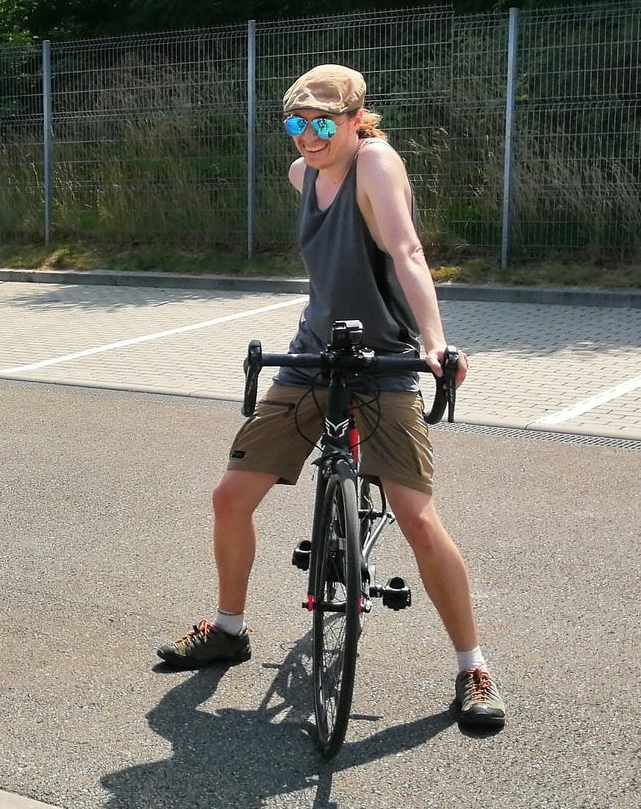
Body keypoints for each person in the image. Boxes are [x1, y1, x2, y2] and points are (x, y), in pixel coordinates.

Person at [155, 63, 504, 729]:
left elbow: (405, 249)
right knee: (230, 496)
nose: (307, 138)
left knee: (419, 520)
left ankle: (473, 668)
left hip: (388, 360)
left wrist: (434, 343)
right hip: (313, 353)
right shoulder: (303, 174)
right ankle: (229, 628)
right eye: (296, 124)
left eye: (322, 123)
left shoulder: (375, 162)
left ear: (354, 118)